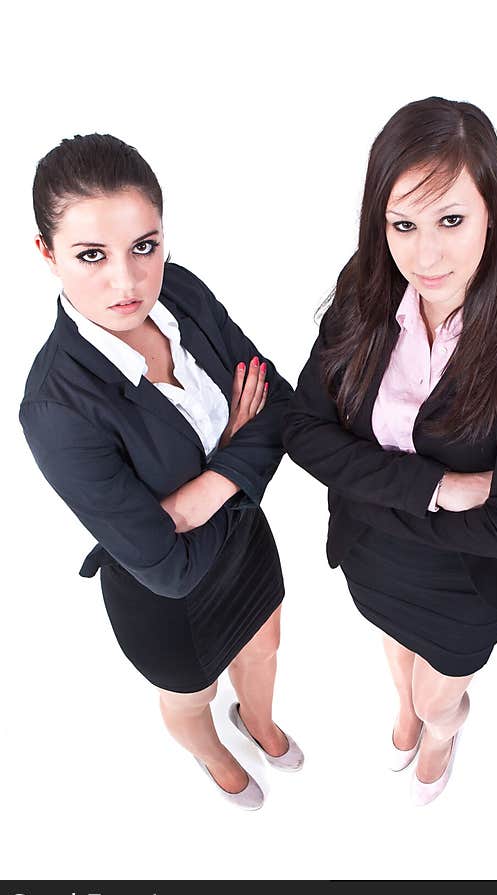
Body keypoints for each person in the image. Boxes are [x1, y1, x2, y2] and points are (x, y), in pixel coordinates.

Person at [283, 97, 497, 805]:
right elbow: (301, 428)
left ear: (492, 213)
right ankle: (404, 708)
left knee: (438, 695)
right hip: (374, 551)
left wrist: (365, 482)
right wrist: (436, 487)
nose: (425, 254)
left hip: (465, 576)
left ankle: (442, 730)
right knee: (394, 650)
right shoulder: (368, 285)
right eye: (403, 224)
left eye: (452, 219)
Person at [20, 134, 303, 810]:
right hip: (164, 597)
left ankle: (256, 722)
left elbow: (282, 406)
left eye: (143, 245)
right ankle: (212, 754)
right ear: (46, 253)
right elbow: (167, 565)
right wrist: (238, 444)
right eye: (92, 255)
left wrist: (191, 502)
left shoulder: (179, 291)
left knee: (266, 640)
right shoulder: (55, 408)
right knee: (191, 694)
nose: (127, 281)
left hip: (241, 540)